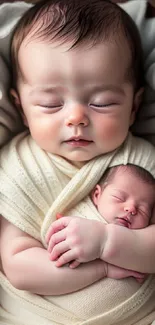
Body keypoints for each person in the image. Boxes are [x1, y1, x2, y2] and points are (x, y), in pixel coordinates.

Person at [1, 0, 155, 324]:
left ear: (133, 106)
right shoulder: (17, 167)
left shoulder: (143, 161)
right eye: (50, 103)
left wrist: (108, 241)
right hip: (35, 315)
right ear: (21, 108)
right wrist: (102, 265)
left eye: (102, 103)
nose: (76, 118)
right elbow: (18, 266)